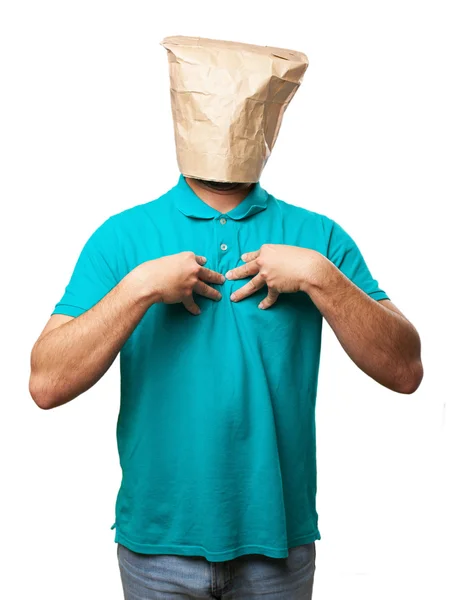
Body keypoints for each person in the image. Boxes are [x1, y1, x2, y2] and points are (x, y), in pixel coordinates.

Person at [29, 37, 423, 600]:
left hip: (278, 547)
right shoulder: (122, 236)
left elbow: (406, 370)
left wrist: (320, 278)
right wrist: (139, 288)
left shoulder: (318, 238)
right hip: (157, 547)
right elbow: (45, 383)